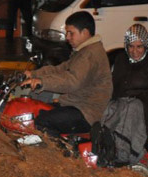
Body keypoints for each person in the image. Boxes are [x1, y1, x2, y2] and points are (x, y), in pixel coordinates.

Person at [21, 11, 112, 139]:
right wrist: (34, 74)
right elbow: (62, 69)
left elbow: (72, 81)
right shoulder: (83, 51)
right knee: (35, 110)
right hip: (76, 105)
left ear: (85, 32)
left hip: (87, 112)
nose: (67, 37)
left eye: (71, 33)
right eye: (67, 33)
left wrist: (42, 82)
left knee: (42, 121)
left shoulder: (90, 55)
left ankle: (55, 156)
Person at [111, 24, 148, 139]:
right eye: (131, 46)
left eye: (139, 47)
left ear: (146, 46)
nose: (134, 51)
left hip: (145, 109)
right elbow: (114, 86)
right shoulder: (121, 59)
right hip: (122, 106)